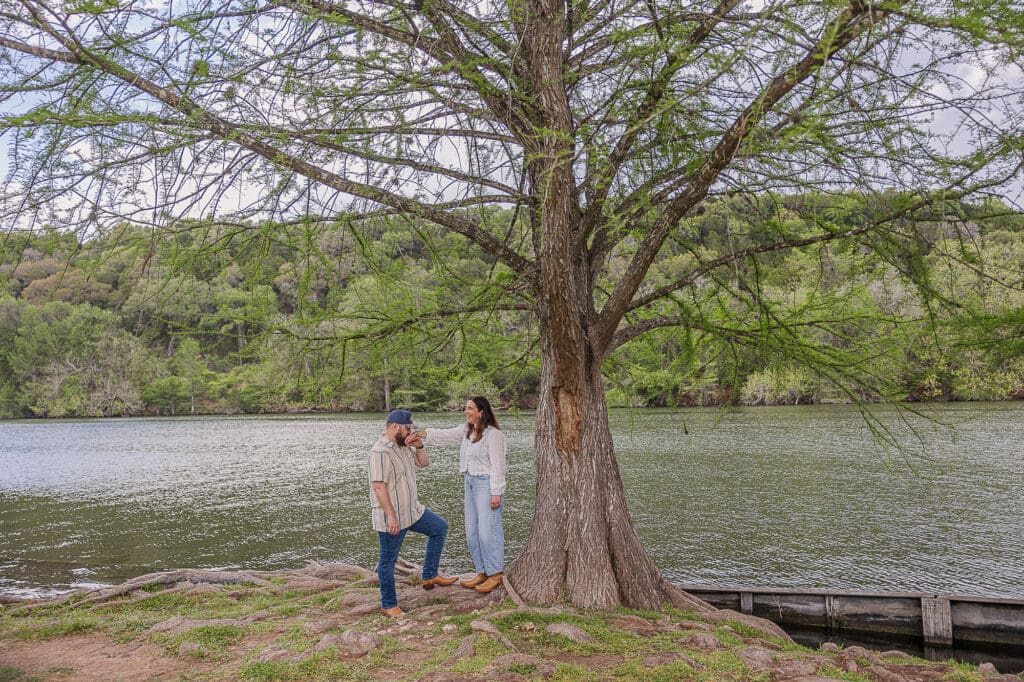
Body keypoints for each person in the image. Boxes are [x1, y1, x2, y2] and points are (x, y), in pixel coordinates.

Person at [368, 408, 458, 617]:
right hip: (392, 516)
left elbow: (424, 463)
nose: (411, 432)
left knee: (439, 528)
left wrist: (419, 445)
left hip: (412, 511)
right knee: (388, 561)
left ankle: (430, 575)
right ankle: (388, 605)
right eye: (408, 429)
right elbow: (378, 487)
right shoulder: (380, 452)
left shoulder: (404, 446)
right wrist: (391, 517)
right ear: (394, 427)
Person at [419, 396, 507, 594]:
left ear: (481, 412)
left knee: (488, 532)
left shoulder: (494, 435)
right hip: (469, 482)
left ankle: (496, 573)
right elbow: (445, 435)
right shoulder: (467, 431)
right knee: (472, 532)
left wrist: (496, 492)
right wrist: (423, 434)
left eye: (470, 408)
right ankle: (482, 571)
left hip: (486, 484)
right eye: (466, 408)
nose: (466, 411)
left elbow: (498, 466)